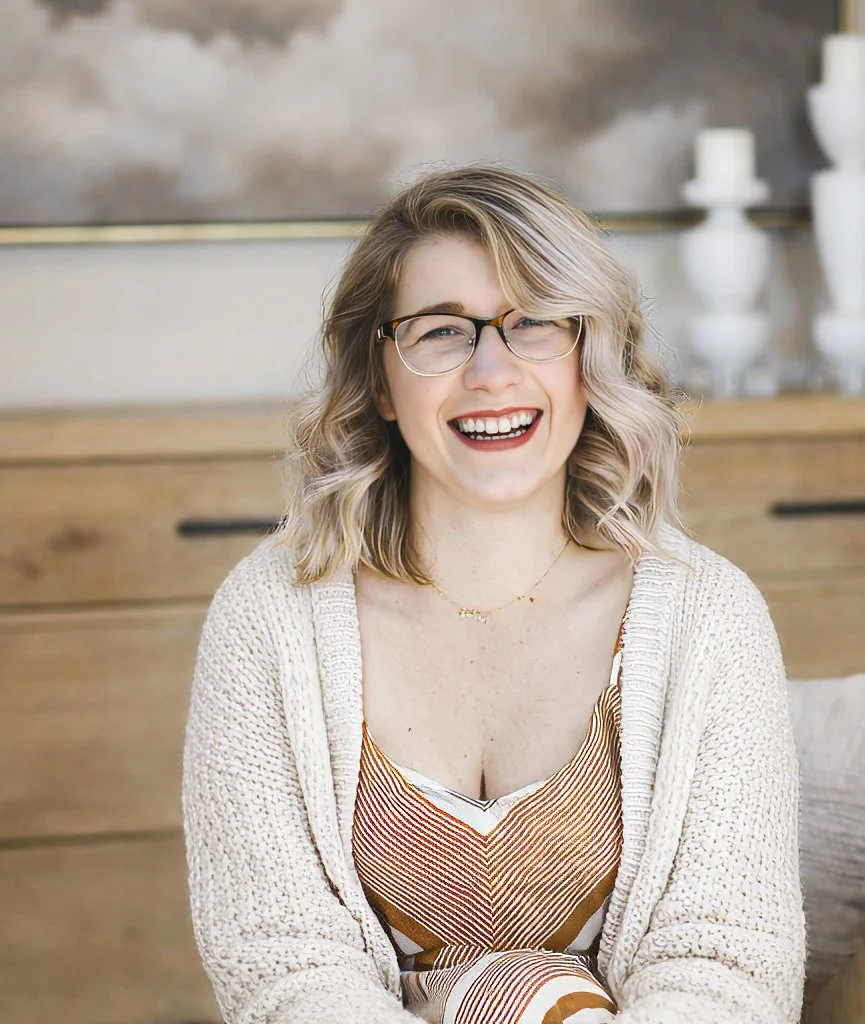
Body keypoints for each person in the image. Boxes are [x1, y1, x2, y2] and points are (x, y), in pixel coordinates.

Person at [183, 165, 805, 1024]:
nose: (492, 371)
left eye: (537, 324)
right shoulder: (268, 615)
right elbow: (281, 961)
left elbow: (725, 964)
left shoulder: (710, 617)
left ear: (593, 359)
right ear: (380, 378)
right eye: (442, 333)